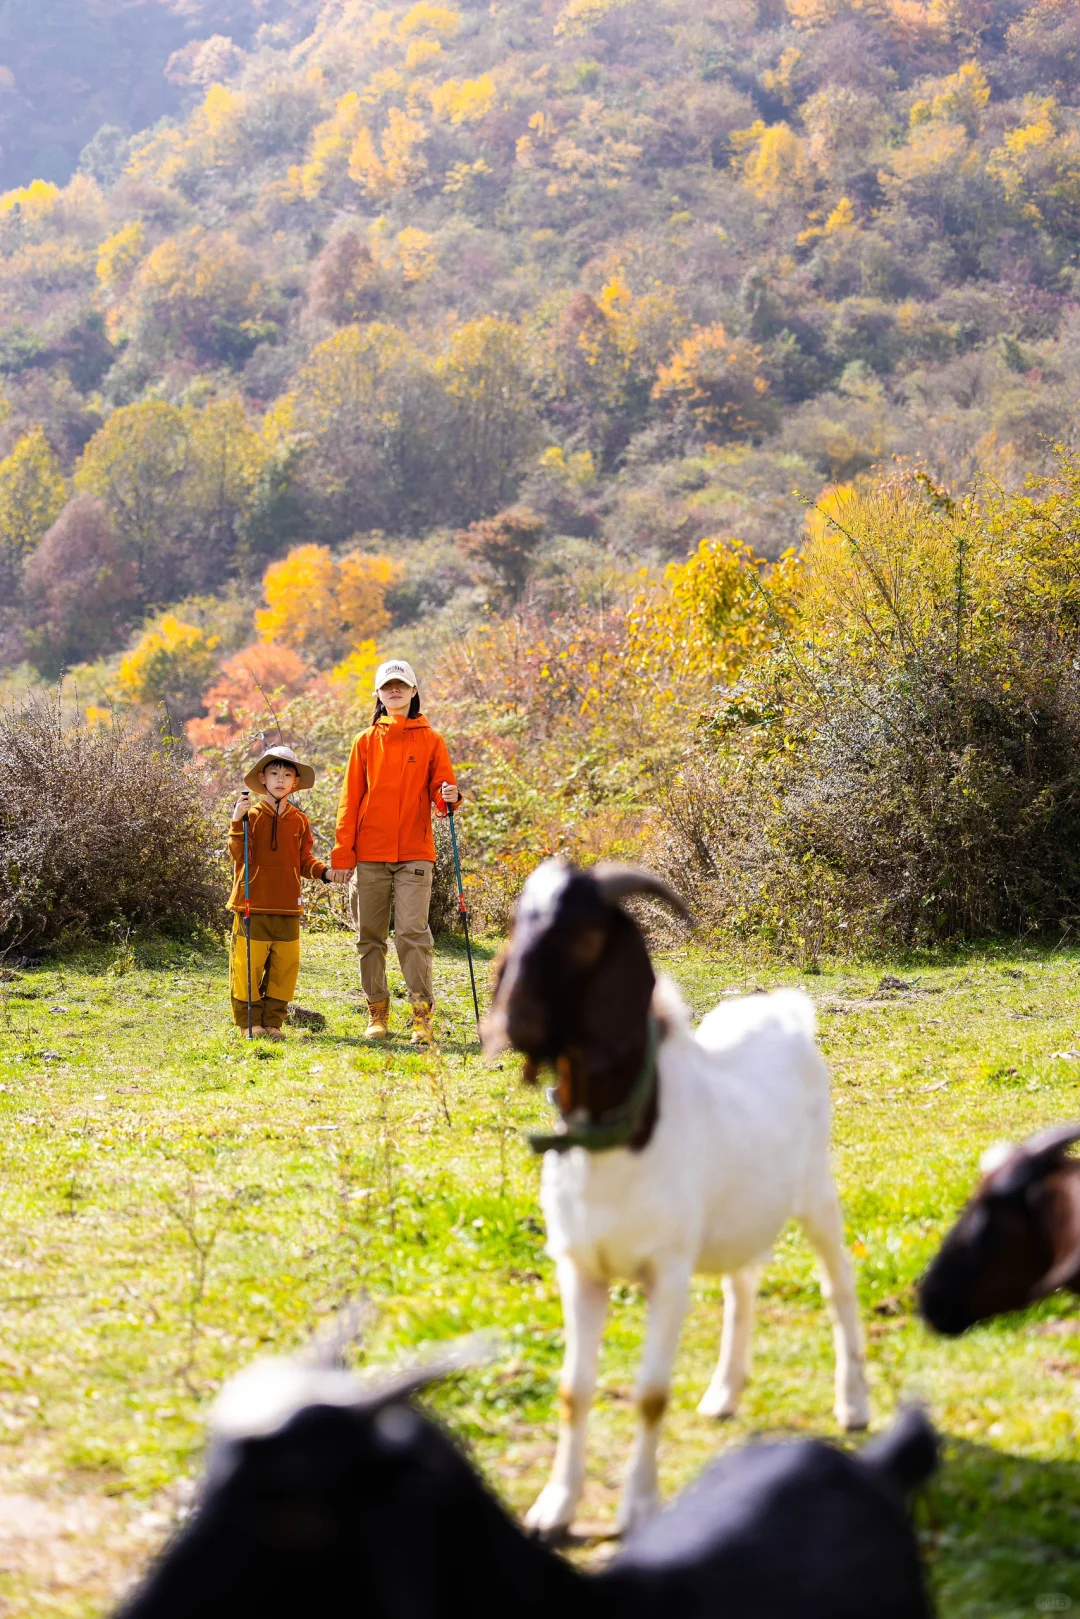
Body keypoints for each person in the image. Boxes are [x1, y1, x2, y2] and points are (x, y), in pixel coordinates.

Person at [327, 659, 462, 1044]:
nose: (395, 691)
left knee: (412, 933)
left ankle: (422, 1017)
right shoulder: (365, 741)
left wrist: (449, 796)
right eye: (388, 686)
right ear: (379, 694)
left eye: (401, 685)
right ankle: (377, 1014)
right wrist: (343, 854)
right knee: (369, 935)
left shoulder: (432, 739)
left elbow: (443, 793)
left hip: (415, 854)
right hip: (369, 854)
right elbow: (349, 801)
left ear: (414, 691)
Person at [228, 744, 332, 1039]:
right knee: (247, 967)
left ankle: (273, 1023)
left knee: (285, 969)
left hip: (288, 906)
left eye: (287, 774)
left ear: (295, 782)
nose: (280, 779)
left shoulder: (299, 820)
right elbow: (238, 854)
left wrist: (326, 873)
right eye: (274, 773)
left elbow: (304, 861)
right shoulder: (251, 815)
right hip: (253, 905)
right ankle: (250, 1023)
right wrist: (237, 820)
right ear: (262, 778)